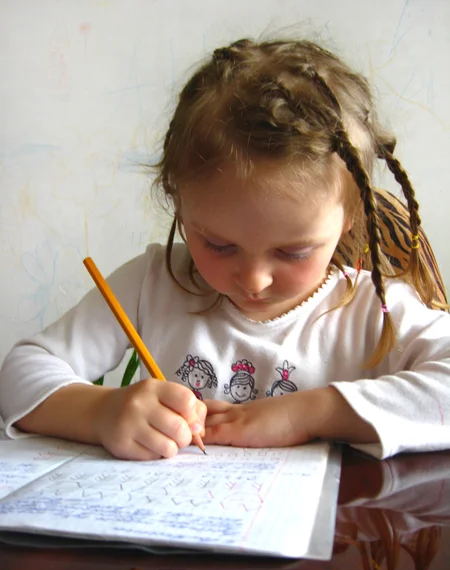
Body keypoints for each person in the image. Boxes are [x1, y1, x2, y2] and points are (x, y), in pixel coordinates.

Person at [0, 37, 449, 461]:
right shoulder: (151, 285)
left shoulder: (375, 311)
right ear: (180, 201)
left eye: (293, 252)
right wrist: (98, 413)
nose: (254, 279)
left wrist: (310, 413)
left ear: (349, 218)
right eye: (218, 244)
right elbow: (21, 371)